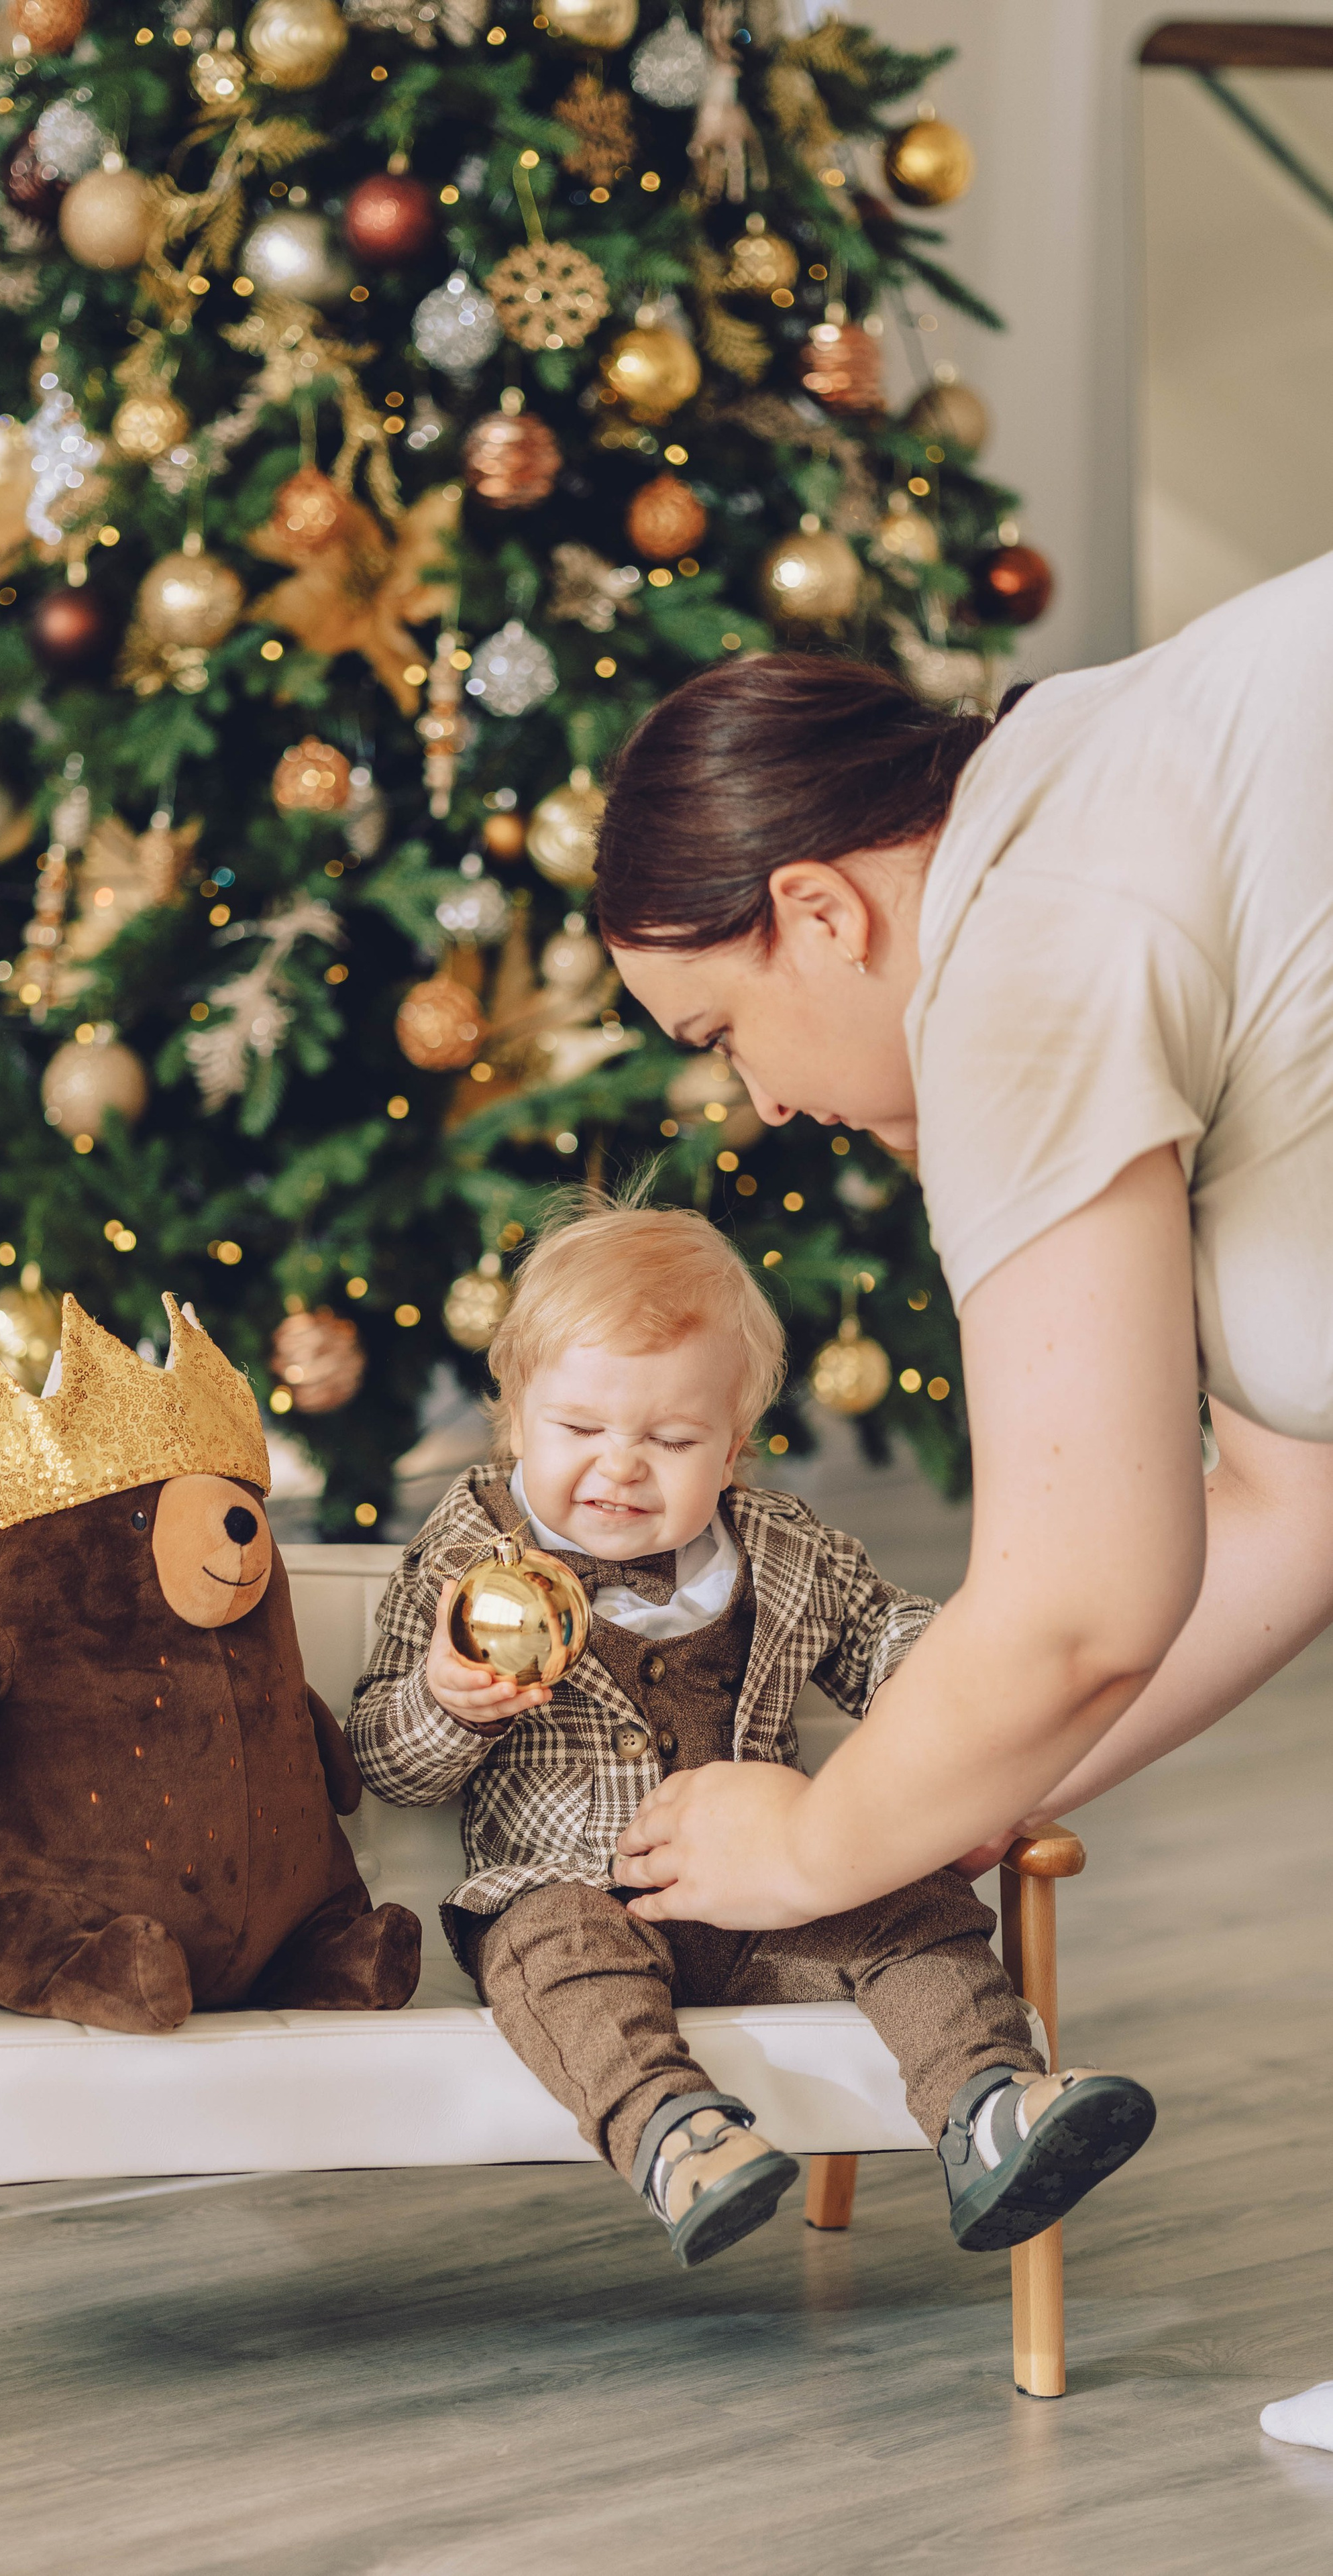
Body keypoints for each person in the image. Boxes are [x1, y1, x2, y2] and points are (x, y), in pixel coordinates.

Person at [592, 557, 1333, 2441]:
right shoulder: (1085, 782)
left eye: (719, 1032)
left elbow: (1085, 1601)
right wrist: (954, 1795)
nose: (752, 1103)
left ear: (822, 910)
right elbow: (1289, 1500)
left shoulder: (1019, 949)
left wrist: (819, 1845)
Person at [346, 1198, 1155, 2267]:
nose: (622, 1466)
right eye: (580, 1430)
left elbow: (893, 1643)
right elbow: (377, 1762)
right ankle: (678, 2136)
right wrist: (447, 1700)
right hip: (572, 1891)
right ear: (514, 1419)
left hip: (775, 1895)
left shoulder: (780, 1550)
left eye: (671, 1439)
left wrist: (940, 1717)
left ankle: (990, 2102)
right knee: (550, 1953)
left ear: (731, 1449)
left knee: (911, 1902)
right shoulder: (468, 1555)